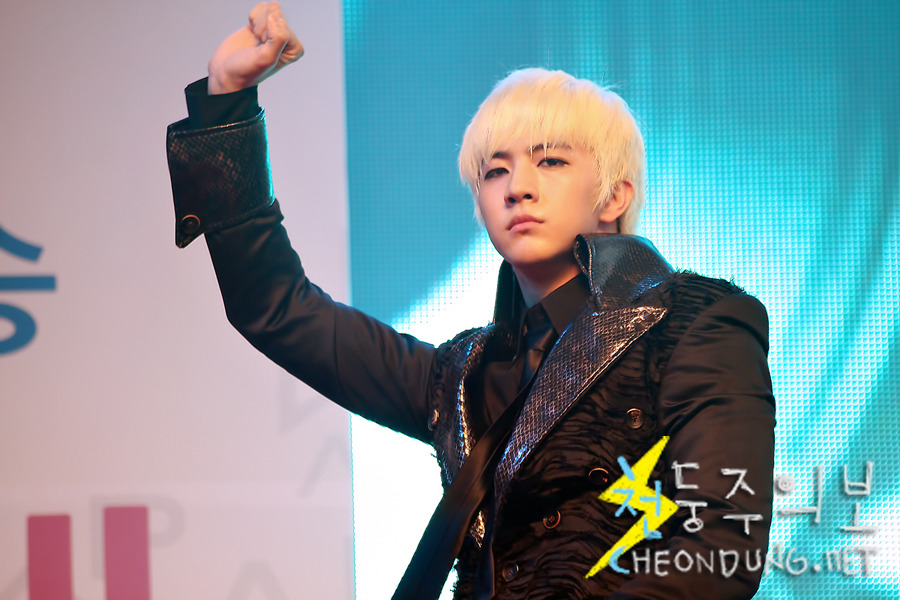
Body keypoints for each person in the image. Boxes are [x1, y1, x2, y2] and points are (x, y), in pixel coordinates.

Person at [166, 3, 776, 598]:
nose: (518, 188)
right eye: (494, 171)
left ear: (614, 196)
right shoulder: (459, 375)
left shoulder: (695, 323)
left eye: (551, 160)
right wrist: (227, 100)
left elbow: (721, 551)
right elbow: (276, 306)